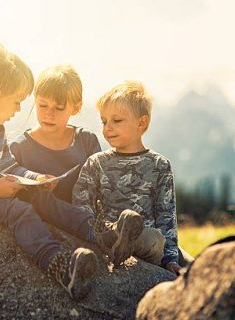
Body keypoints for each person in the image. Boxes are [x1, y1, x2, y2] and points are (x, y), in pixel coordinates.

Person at [0, 43, 140, 300]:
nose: (18, 110)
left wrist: (35, 178)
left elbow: (7, 165)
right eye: (16, 102)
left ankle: (104, 235)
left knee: (40, 198)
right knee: (16, 211)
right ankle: (59, 266)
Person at [73, 81, 192, 275]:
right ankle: (118, 241)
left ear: (141, 123)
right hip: (108, 237)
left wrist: (170, 260)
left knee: (154, 238)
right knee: (111, 233)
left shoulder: (160, 165)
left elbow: (166, 216)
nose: (107, 128)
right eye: (104, 121)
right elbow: (81, 204)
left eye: (116, 121)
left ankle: (127, 242)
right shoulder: (96, 163)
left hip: (148, 243)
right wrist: (96, 234)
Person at [10, 65, 101, 203]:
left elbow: (100, 186)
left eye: (59, 108)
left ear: (76, 108)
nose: (49, 114)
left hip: (84, 216)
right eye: (42, 105)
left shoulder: (86, 141)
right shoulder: (18, 148)